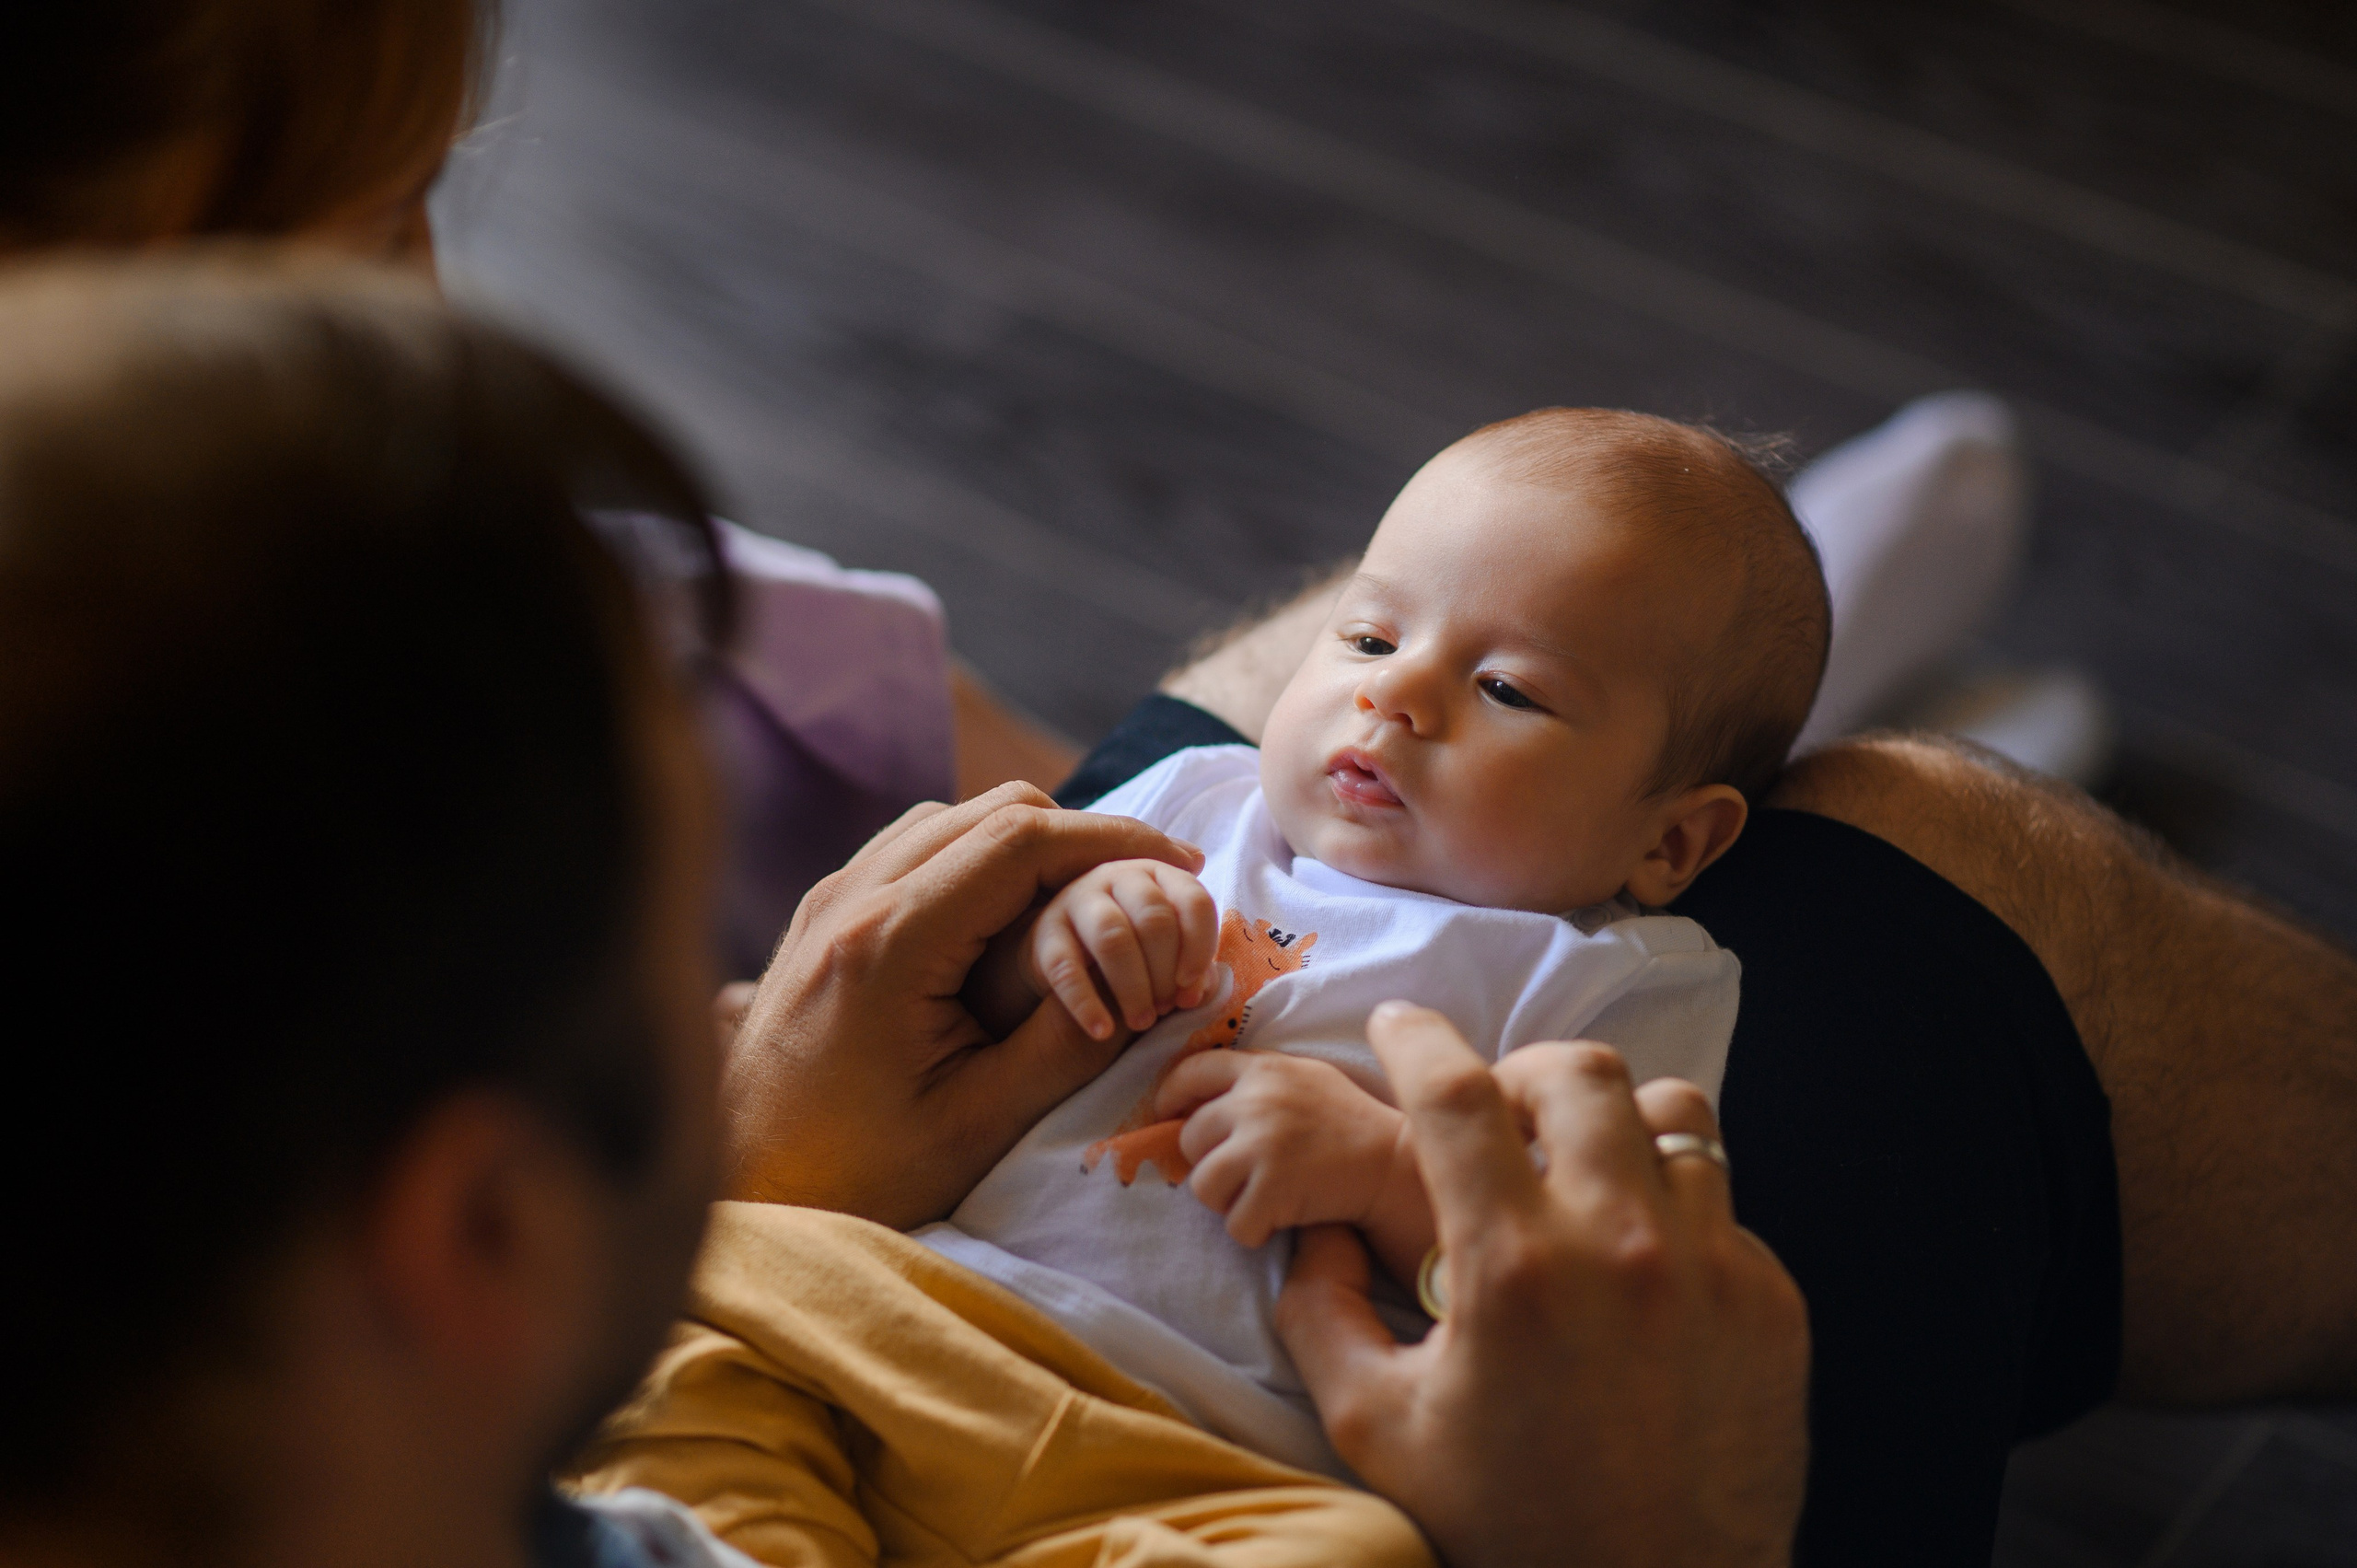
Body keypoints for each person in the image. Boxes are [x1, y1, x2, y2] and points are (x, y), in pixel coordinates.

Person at [8, 4, 2353, 1562]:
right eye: (684, 997)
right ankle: (1637, 680)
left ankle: (1654, 648)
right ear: (489, 1230)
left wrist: (938, 1029)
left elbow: (1094, 820)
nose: (422, 308)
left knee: (1306, 728)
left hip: (912, 1235)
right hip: (1208, 1395)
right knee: (1921, 834)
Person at [0, 253, 1807, 1568]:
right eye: (1366, 633)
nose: (1389, 700)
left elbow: (1566, 1240)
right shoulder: (1196, 798)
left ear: (1672, 844)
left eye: (1506, 692)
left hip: (1185, 1448)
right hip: (899, 1305)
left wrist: (1375, 1157)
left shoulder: (1620, 975)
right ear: (481, 1230)